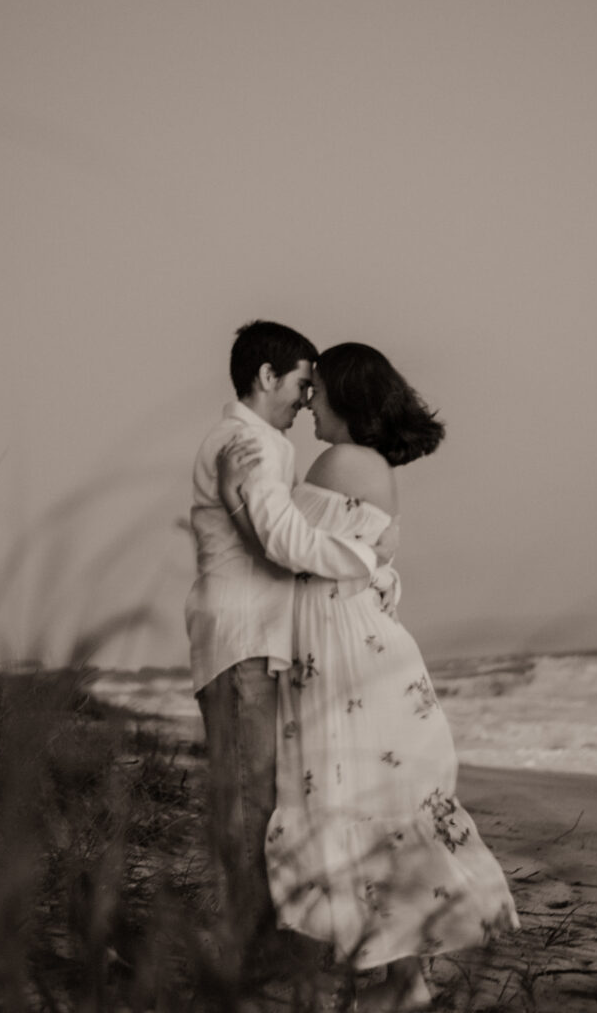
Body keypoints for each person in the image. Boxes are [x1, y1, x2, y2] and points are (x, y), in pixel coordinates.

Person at [218, 342, 520, 1012]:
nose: (305, 406)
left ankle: (399, 978)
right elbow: (355, 556)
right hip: (352, 642)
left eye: (315, 393)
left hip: (342, 651)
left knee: (354, 797)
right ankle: (400, 977)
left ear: (345, 398)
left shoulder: (343, 460)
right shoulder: (366, 464)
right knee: (374, 801)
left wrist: (249, 485)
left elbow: (288, 548)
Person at [184, 323, 395, 1005]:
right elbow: (279, 537)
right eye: (303, 382)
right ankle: (251, 963)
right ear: (266, 377)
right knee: (253, 807)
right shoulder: (243, 443)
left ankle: (265, 951)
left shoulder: (266, 445)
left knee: (266, 803)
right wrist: (369, 560)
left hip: (259, 647)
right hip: (242, 643)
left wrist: (372, 574)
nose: (309, 399)